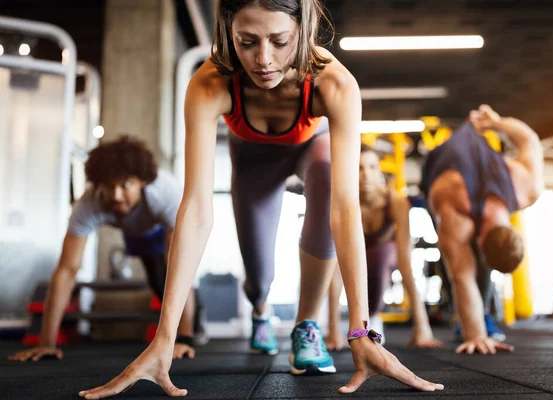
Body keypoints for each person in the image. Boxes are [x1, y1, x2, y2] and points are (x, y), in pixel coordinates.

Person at [78, 1, 444, 398]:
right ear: (228, 34)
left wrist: (361, 331)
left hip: (310, 145)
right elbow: (197, 208)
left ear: (302, 31)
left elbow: (345, 207)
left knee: (326, 179)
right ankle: (260, 310)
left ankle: (306, 325)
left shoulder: (334, 84)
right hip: (252, 156)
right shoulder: (210, 83)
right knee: (259, 272)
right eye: (247, 42)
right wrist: (165, 338)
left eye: (280, 41)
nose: (264, 59)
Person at [8, 136, 204, 363]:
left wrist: (183, 340)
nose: (116, 195)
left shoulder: (166, 194)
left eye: (125, 185)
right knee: (157, 281)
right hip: (134, 231)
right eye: (109, 186)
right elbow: (66, 270)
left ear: (142, 182)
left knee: (169, 274)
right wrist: (46, 343)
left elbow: (180, 267)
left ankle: (190, 331)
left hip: (163, 226)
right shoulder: (89, 204)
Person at [420, 104, 544, 355]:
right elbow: (461, 275)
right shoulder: (454, 206)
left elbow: (529, 139)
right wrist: (476, 336)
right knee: (456, 260)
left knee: (468, 263)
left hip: (474, 160)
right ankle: (468, 320)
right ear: (481, 241)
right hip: (438, 170)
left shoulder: (526, 189)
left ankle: (479, 315)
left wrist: (496, 122)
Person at [325, 145, 443, 350]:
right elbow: (334, 266)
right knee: (335, 263)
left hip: (384, 255)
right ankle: (361, 320)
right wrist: (333, 330)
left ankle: (372, 315)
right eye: (359, 168)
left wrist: (422, 325)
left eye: (371, 167)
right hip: (355, 256)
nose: (365, 175)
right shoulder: (343, 202)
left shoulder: (396, 201)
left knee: (383, 253)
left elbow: (405, 260)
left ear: (379, 171)